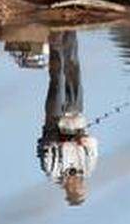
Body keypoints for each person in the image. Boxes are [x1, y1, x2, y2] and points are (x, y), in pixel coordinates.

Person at [37, 30, 99, 205]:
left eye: (76, 188)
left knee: (58, 79)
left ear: (68, 190)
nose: (79, 184)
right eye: (81, 187)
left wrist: (63, 142)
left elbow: (46, 147)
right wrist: (83, 140)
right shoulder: (87, 168)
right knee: (73, 71)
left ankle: (55, 39)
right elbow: (93, 144)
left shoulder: (52, 171)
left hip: (55, 121)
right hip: (75, 116)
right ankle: (70, 32)